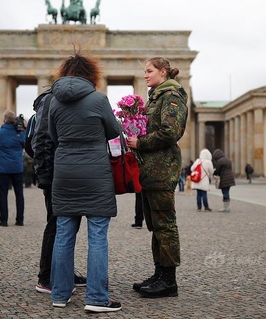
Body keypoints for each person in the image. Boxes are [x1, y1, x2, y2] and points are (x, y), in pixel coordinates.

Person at [48, 52, 122, 313]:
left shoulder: (54, 102)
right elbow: (114, 131)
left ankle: (59, 293)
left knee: (64, 234)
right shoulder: (99, 99)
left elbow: (53, 135)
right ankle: (97, 298)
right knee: (97, 236)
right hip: (95, 172)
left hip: (65, 170)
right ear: (92, 74)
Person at [126, 57, 188, 299]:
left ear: (163, 72)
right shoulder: (156, 96)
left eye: (149, 71)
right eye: (144, 71)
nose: (145, 75)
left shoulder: (172, 95)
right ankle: (159, 273)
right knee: (155, 225)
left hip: (162, 169)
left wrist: (139, 142)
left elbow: (170, 132)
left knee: (165, 225)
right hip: (151, 170)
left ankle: (169, 280)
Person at [30, 88, 87, 295]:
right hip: (54, 173)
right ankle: (45, 278)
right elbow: (42, 140)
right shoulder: (50, 100)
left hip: (65, 171)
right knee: (55, 224)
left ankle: (63, 272)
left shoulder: (62, 99)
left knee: (68, 225)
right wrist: (45, 175)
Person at [0, 110, 26, 227]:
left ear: (4, 120)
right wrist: (23, 128)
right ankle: (20, 219)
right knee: (19, 194)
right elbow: (25, 143)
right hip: (17, 167)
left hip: (3, 167)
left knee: (3, 194)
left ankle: (3, 219)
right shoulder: (20, 133)